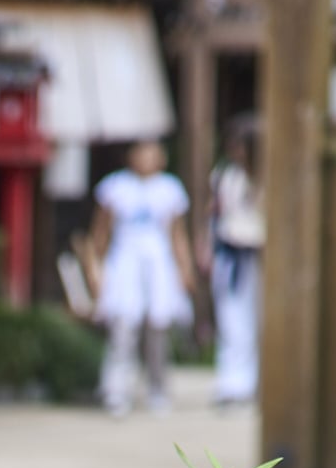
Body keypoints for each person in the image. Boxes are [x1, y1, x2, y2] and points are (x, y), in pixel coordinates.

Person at [81, 138, 197, 416]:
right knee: (123, 327)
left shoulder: (170, 188)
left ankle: (158, 389)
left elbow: (177, 234)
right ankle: (116, 390)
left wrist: (185, 269)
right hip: (124, 261)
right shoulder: (115, 187)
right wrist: (95, 268)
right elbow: (100, 232)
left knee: (158, 329)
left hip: (158, 263)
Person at [210, 118, 265, 407]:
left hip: (262, 257)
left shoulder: (269, 177)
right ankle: (233, 384)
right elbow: (214, 216)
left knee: (262, 321)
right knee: (233, 322)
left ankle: (261, 383)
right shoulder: (223, 176)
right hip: (231, 255)